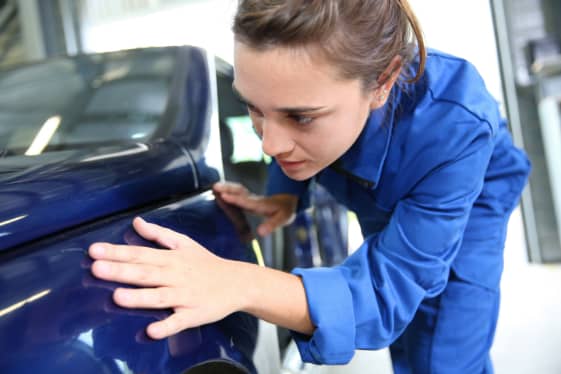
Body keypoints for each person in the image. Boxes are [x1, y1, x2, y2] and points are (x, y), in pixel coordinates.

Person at [88, 0, 531, 372]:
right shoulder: (320, 107)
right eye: (255, 109)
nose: (269, 144)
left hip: (473, 196)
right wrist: (285, 197)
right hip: (388, 181)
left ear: (383, 84)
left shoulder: (455, 123)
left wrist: (238, 283)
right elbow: (287, 120)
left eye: (300, 117)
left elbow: (386, 292)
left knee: (442, 347)